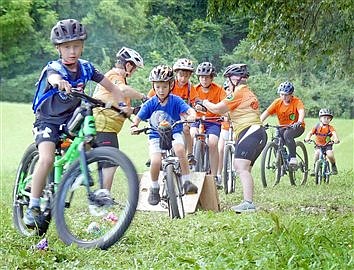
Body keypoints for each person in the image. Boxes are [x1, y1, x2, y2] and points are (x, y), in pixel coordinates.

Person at [24, 19, 127, 228]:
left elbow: (114, 89)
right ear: (58, 48)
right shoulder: (54, 67)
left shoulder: (87, 68)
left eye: (77, 46)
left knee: (88, 136)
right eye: (67, 47)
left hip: (70, 119)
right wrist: (59, 83)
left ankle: (77, 170)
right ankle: (32, 206)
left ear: (83, 46)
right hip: (48, 121)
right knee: (47, 158)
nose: (73, 51)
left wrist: (122, 104)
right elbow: (53, 77)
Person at [200, 64, 267, 213]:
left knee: (240, 167)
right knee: (245, 170)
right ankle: (248, 201)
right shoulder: (248, 93)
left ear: (235, 79)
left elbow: (218, 109)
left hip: (249, 131)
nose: (228, 83)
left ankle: (249, 203)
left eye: (229, 80)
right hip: (258, 132)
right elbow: (230, 113)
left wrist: (205, 102)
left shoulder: (237, 93)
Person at [130, 65, 198, 205]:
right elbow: (138, 117)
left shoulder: (176, 100)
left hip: (174, 132)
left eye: (164, 86)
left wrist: (192, 116)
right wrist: (134, 125)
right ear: (153, 86)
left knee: (180, 150)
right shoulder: (150, 103)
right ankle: (154, 188)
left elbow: (189, 110)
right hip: (155, 135)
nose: (161, 90)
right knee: (155, 161)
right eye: (158, 86)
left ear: (171, 85)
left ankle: (186, 182)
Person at [92, 47, 146, 191]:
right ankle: (104, 196)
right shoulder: (115, 76)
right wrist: (143, 96)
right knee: (111, 161)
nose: (134, 72)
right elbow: (122, 90)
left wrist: (135, 111)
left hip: (106, 125)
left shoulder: (118, 79)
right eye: (134, 69)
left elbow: (121, 108)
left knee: (105, 161)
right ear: (129, 65)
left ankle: (101, 194)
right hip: (104, 124)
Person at [147, 58, 198, 164]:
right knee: (154, 129)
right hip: (165, 112)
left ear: (190, 76)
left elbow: (195, 101)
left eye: (186, 76)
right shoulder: (167, 83)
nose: (183, 78)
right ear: (176, 74)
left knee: (186, 129)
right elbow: (152, 96)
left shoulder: (189, 88)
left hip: (181, 112)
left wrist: (196, 108)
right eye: (181, 75)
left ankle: (190, 154)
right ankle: (153, 155)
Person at [192, 62, 226, 188]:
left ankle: (215, 175)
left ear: (212, 77)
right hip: (197, 120)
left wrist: (225, 113)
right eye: (201, 77)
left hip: (213, 121)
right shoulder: (194, 89)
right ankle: (192, 160)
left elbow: (225, 103)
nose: (204, 80)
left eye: (207, 77)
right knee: (191, 134)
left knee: (213, 142)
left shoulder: (219, 89)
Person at [260, 81, 305, 167]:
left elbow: (301, 111)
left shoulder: (296, 102)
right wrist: (259, 123)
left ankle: (293, 158)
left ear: (291, 94)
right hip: (283, 127)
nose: (284, 97)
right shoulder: (277, 102)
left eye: (286, 95)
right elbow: (266, 113)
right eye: (282, 94)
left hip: (297, 127)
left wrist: (299, 121)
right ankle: (281, 165)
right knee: (276, 141)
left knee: (287, 135)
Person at [304, 108, 340, 175]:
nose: (326, 120)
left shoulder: (330, 128)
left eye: (328, 118)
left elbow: (334, 133)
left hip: (327, 145)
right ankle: (315, 169)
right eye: (324, 118)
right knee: (316, 154)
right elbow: (310, 133)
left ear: (330, 120)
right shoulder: (317, 126)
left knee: (330, 154)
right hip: (318, 145)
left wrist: (336, 139)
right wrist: (307, 138)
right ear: (320, 118)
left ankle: (333, 166)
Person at [217, 81, 233, 183]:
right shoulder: (223, 102)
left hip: (236, 129)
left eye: (231, 89)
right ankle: (218, 174)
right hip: (225, 128)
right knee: (220, 149)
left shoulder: (238, 100)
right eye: (227, 89)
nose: (229, 91)